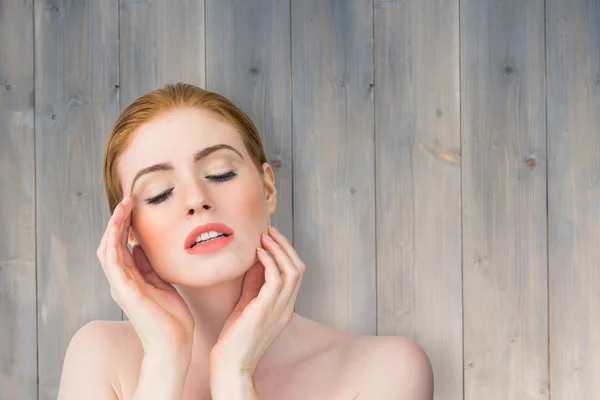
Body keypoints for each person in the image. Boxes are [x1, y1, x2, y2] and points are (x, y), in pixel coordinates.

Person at [57, 83, 433, 399]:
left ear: (268, 187)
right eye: (158, 193)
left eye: (220, 173)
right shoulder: (98, 356)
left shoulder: (387, 369)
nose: (196, 199)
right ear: (128, 231)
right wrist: (163, 360)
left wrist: (235, 375)